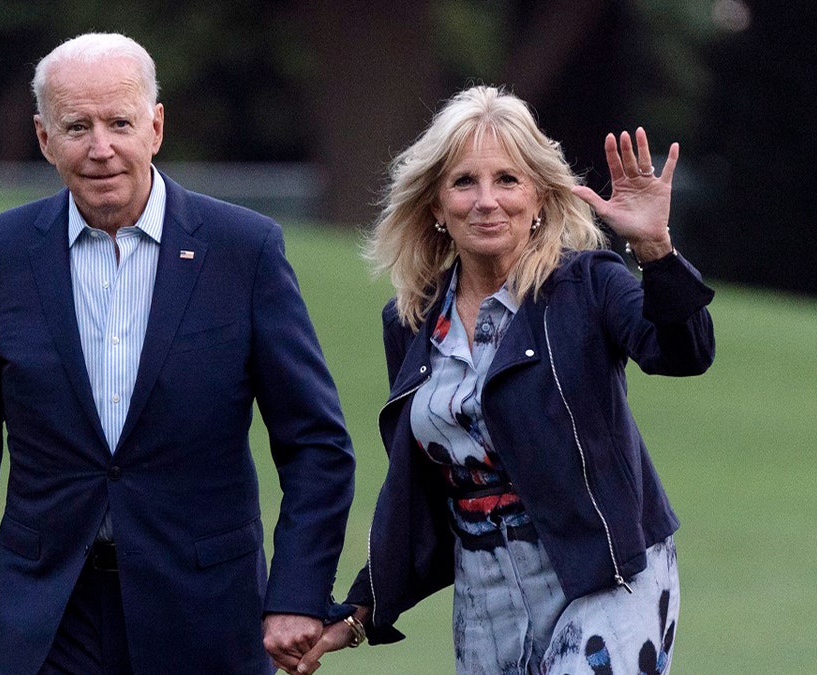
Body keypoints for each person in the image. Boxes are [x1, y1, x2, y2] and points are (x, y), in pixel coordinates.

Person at [0, 33, 355, 675]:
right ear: (43, 139)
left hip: (206, 613)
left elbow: (316, 446)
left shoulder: (243, 251)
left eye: (120, 123)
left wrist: (295, 594)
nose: (101, 148)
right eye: (76, 126)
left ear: (155, 126)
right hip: (50, 618)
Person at [297, 85, 715, 674]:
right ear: (436, 206)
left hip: (606, 575)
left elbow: (685, 351)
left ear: (541, 196)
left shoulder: (590, 285)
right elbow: (422, 488)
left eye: (508, 180)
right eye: (464, 182)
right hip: (486, 595)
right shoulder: (411, 321)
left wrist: (654, 249)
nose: (486, 201)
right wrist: (361, 608)